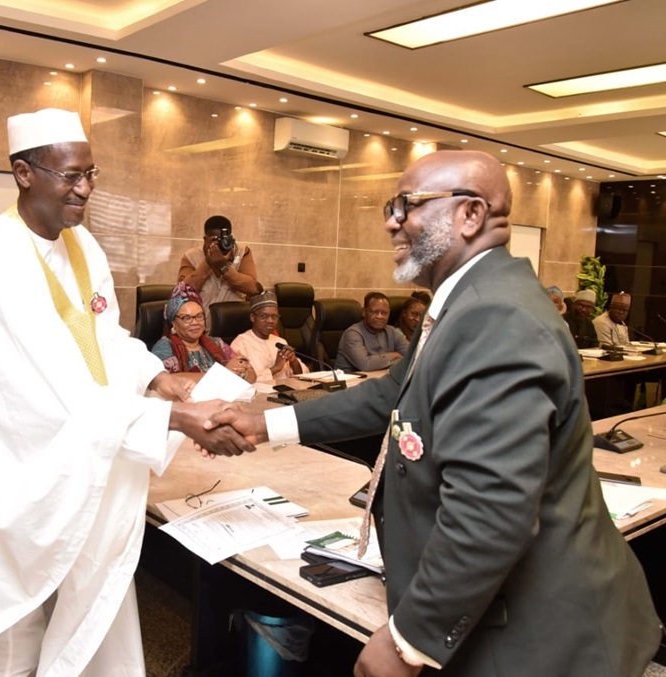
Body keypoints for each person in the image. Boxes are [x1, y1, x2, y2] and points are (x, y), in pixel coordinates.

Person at [207, 150, 662, 677]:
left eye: (408, 205)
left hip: (543, 640)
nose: (390, 220)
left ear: (470, 214)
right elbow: (387, 396)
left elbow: (493, 508)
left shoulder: (496, 316)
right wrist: (263, 424)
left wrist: (409, 638)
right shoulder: (466, 300)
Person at [0, 108, 254, 677]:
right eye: (69, 175)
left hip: (83, 464)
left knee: (99, 609)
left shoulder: (82, 246)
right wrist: (176, 418)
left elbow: (107, 339)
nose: (85, 189)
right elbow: (53, 399)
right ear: (24, 173)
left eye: (91, 173)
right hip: (15, 476)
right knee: (15, 640)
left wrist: (158, 378)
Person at [152, 282, 256, 382]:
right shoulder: (164, 347)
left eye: (199, 316)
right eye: (187, 318)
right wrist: (223, 374)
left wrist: (243, 371)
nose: (195, 322)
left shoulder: (217, 343)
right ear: (173, 322)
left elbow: (252, 376)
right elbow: (166, 380)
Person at [177, 214, 262, 330]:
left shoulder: (242, 252)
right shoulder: (191, 256)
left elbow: (253, 288)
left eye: (223, 239)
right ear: (205, 239)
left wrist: (224, 267)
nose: (219, 244)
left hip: (233, 327)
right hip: (201, 329)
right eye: (214, 240)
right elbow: (183, 293)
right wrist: (208, 262)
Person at [231, 290, 307, 384]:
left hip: (287, 393)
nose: (270, 321)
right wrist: (276, 367)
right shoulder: (240, 344)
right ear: (252, 317)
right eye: (264, 316)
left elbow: (304, 377)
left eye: (274, 316)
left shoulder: (280, 342)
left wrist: (294, 361)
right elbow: (241, 382)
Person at [334, 291, 408, 371]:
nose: (380, 316)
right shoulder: (352, 334)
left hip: (380, 379)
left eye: (384, 313)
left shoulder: (392, 331)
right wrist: (393, 356)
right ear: (364, 312)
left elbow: (412, 355)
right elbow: (366, 364)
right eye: (375, 312)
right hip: (351, 381)